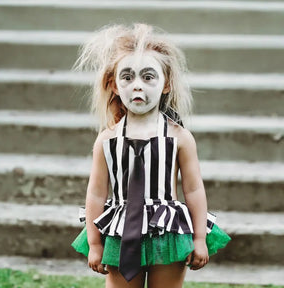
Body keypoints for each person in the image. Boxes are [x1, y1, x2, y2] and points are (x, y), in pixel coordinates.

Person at [72, 23, 230, 288]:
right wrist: (95, 242)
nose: (137, 86)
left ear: (166, 84)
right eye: (127, 77)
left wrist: (200, 238)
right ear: (113, 85)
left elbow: (193, 190)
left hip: (167, 231)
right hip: (120, 231)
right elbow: (96, 194)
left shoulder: (180, 138)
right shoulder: (106, 140)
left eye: (148, 77)